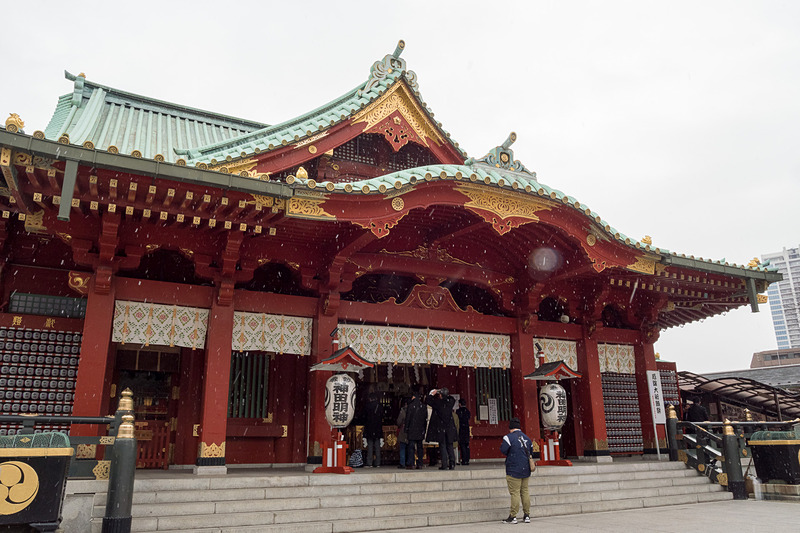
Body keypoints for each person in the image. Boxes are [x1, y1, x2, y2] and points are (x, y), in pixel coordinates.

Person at [500, 417, 532, 524]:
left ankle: (513, 516)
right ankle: (527, 515)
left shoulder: (508, 438)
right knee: (525, 491)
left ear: (510, 427)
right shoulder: (527, 438)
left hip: (513, 468)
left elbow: (503, 450)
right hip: (525, 468)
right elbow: (530, 451)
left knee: (515, 493)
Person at [427, 388, 457, 470]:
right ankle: (452, 463)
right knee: (450, 446)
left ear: (440, 395)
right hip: (449, 427)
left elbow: (429, 401)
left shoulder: (438, 403)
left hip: (441, 427)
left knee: (442, 446)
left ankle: (444, 464)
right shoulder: (450, 402)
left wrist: (432, 394)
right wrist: (445, 393)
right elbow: (452, 399)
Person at [405, 387, 427, 469]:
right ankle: (420, 463)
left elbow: (408, 418)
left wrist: (406, 428)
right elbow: (425, 419)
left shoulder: (410, 406)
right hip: (420, 429)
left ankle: (411, 463)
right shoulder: (423, 406)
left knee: (411, 447)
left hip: (412, 429)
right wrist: (424, 429)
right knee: (419, 447)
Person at [364, 392, 384, 467]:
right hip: (378, 428)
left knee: (370, 446)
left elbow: (364, 417)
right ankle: (378, 462)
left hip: (369, 428)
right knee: (377, 446)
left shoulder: (367, 406)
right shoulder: (380, 406)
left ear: (370, 398)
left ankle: (369, 463)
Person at [456, 397, 471, 465]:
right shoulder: (467, 411)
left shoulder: (458, 411)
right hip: (466, 429)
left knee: (462, 445)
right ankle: (467, 459)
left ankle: (464, 459)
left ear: (459, 404)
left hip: (461, 429)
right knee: (467, 445)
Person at [396, 397, 409, 469]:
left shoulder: (403, 411)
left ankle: (402, 462)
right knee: (409, 447)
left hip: (403, 430)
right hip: (411, 431)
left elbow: (399, 421)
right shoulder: (412, 410)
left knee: (402, 447)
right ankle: (409, 461)